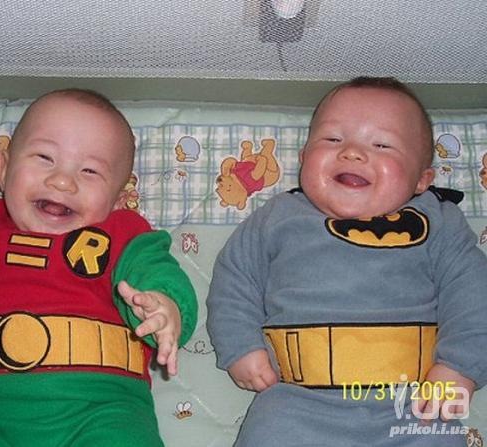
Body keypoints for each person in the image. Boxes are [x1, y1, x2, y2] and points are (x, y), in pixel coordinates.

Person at [0, 88, 198, 447]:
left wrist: (165, 306)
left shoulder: (125, 235)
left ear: (118, 200)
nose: (62, 180)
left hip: (99, 415)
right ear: (5, 169)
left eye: (90, 171)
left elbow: (156, 271)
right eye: (44, 157)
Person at [207, 77, 487, 446]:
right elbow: (235, 280)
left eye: (381, 144)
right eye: (332, 139)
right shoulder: (278, 218)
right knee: (268, 429)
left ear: (422, 180)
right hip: (297, 402)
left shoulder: (438, 220)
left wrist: (459, 366)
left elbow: (473, 294)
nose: (352, 153)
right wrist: (241, 346)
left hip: (414, 402)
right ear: (304, 158)